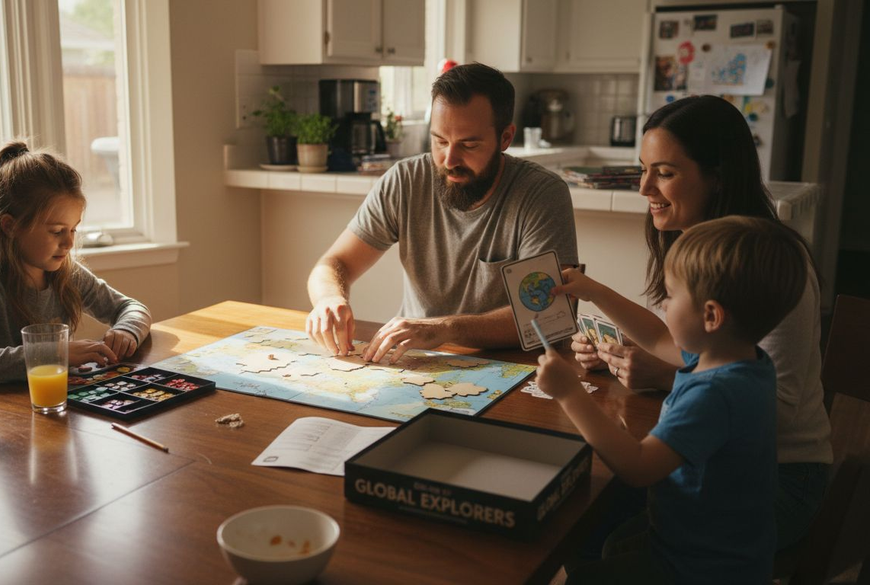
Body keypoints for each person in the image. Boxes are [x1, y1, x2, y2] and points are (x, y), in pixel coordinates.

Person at [570, 95, 832, 549]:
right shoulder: (702, 248)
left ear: (717, 177)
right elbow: (663, 337)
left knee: (598, 515)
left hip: (780, 479)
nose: (644, 188)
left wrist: (668, 378)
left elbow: (775, 408)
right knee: (588, 512)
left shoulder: (764, 268)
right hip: (717, 462)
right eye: (644, 169)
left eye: (665, 173)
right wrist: (594, 296)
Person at [537, 216, 811, 584]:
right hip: (727, 551)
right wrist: (592, 290)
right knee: (614, 545)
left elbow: (637, 467)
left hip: (702, 568)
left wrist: (569, 393)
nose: (663, 307)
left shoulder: (714, 393)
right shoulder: (740, 362)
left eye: (670, 295)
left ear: (711, 315)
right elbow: (655, 337)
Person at [306, 63, 578, 363]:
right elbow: (335, 263)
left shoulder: (541, 193)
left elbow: (549, 313)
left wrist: (445, 328)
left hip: (515, 365)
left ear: (505, 138)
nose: (449, 159)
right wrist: (330, 298)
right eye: (439, 141)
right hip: (415, 359)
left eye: (469, 144)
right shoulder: (405, 179)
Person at [0, 141, 152, 387]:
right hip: (3, 418)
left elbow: (132, 308)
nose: (69, 242)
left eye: (73, 229)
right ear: (11, 226)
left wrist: (126, 331)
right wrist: (55, 354)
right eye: (57, 231)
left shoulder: (66, 273)